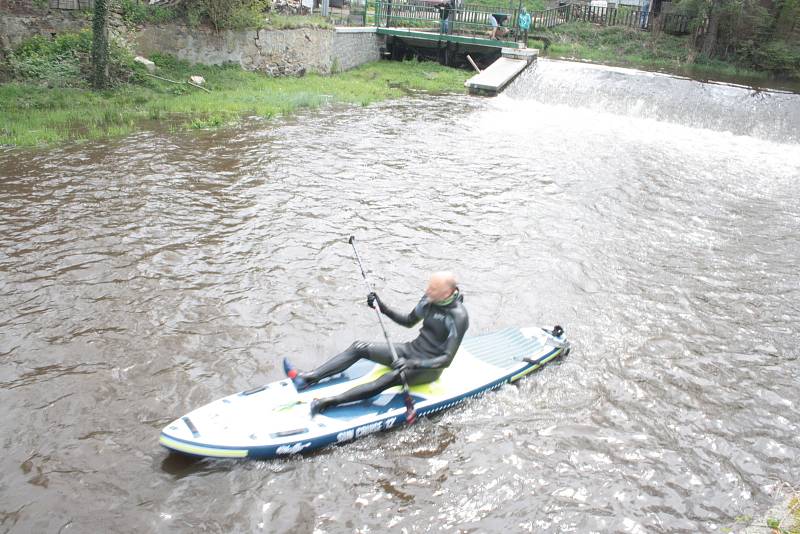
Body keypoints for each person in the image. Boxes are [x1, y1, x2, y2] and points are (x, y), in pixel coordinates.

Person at [283, 272, 469, 416]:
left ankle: (328, 402)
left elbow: (446, 359)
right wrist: (382, 306)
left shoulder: (458, 316)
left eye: (433, 289)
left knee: (389, 378)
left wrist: (413, 364)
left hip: (429, 367)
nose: (428, 291)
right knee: (359, 347)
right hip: (411, 350)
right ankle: (307, 378)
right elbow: (408, 321)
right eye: (429, 287)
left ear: (447, 292)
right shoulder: (429, 298)